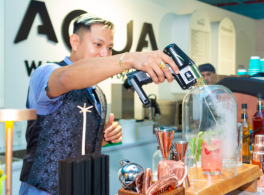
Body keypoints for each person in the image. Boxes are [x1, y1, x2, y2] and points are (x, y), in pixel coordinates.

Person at [19, 13, 179, 195]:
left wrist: (102, 137)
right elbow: (66, 78)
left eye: (110, 47)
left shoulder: (97, 93)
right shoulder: (45, 72)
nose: (105, 53)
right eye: (98, 44)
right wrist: (128, 59)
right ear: (75, 42)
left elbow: (76, 145)